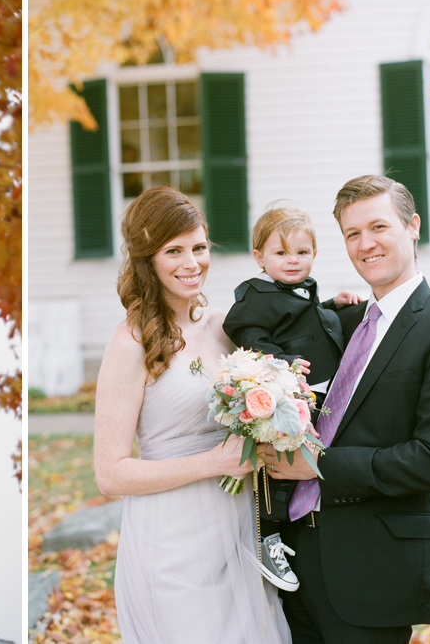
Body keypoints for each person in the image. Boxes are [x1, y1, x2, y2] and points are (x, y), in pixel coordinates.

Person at [264, 174, 430, 644]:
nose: (366, 244)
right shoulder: (343, 321)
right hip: (296, 554)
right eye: (352, 234)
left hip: (372, 568)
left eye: (378, 227)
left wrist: (318, 466)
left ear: (412, 227)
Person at [94, 186, 290, 643]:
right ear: (148, 259)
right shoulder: (131, 342)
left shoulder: (224, 326)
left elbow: (294, 327)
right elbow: (110, 474)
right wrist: (216, 462)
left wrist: (337, 309)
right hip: (173, 540)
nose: (191, 263)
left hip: (239, 524)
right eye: (174, 251)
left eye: (199, 248)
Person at [223, 207, 361, 592]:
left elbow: (305, 319)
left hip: (319, 394)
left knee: (309, 463)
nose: (293, 261)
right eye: (281, 253)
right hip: (284, 394)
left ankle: (301, 526)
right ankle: (268, 539)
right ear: (259, 258)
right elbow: (249, 335)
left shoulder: (303, 289)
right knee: (277, 469)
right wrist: (280, 363)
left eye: (302, 252)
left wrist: (334, 305)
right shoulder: (257, 295)